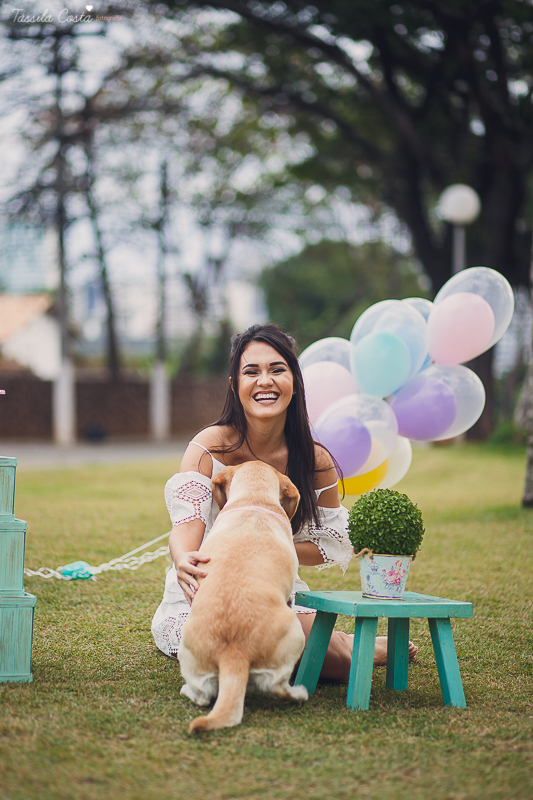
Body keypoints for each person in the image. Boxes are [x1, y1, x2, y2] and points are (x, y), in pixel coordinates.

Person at [151, 323, 417, 680]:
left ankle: (351, 646)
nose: (265, 381)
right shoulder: (209, 447)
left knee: (314, 661)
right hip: (207, 588)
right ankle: (343, 641)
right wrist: (183, 559)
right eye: (251, 372)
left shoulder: (316, 460)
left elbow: (330, 545)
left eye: (277, 370)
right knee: (221, 656)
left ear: (294, 382)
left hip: (273, 587)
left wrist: (266, 546)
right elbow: (186, 529)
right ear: (235, 384)